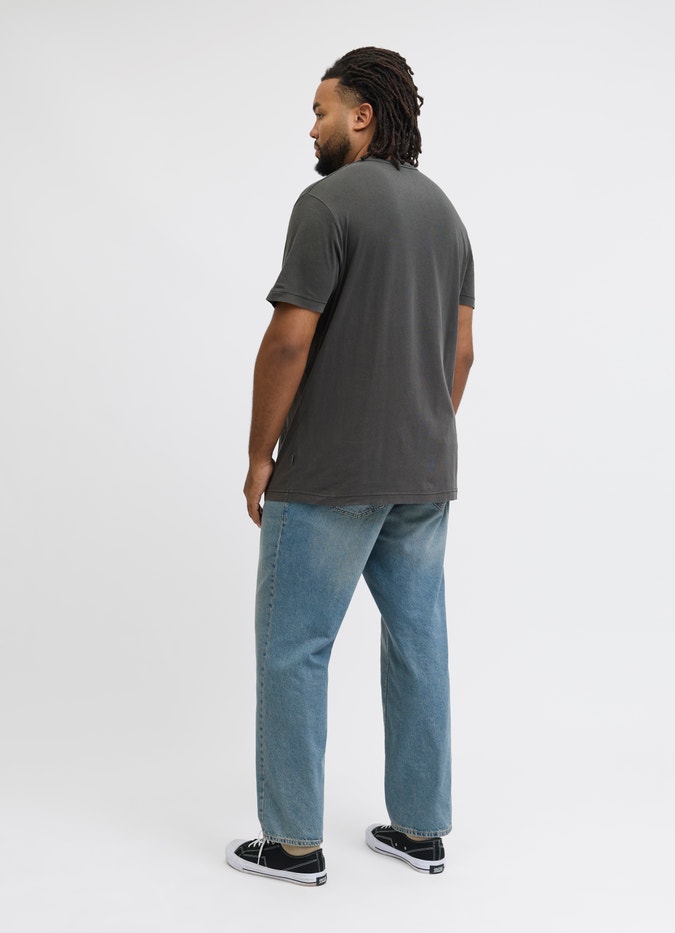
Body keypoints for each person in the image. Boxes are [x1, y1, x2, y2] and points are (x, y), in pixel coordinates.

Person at [226, 46, 475, 886]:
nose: (313, 127)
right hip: (423, 472)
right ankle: (419, 829)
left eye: (321, 110)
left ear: (362, 115)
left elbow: (288, 340)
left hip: (329, 473)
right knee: (419, 643)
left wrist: (259, 453)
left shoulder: (326, 204)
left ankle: (293, 843)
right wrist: (420, 428)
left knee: (294, 647)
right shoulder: (446, 214)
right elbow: (462, 352)